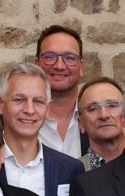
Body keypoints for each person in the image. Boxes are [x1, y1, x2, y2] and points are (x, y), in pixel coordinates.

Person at [0, 63, 85, 196]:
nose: (29, 110)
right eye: (19, 100)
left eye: (38, 101)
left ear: (48, 109)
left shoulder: (70, 169)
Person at [34, 25, 87, 159]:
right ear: (37, 64)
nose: (59, 66)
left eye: (69, 58)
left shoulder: (96, 119)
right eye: (49, 57)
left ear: (81, 67)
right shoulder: (9, 122)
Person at [77, 78, 125, 170]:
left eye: (112, 105)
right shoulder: (73, 172)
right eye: (93, 108)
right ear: (81, 123)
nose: (104, 115)